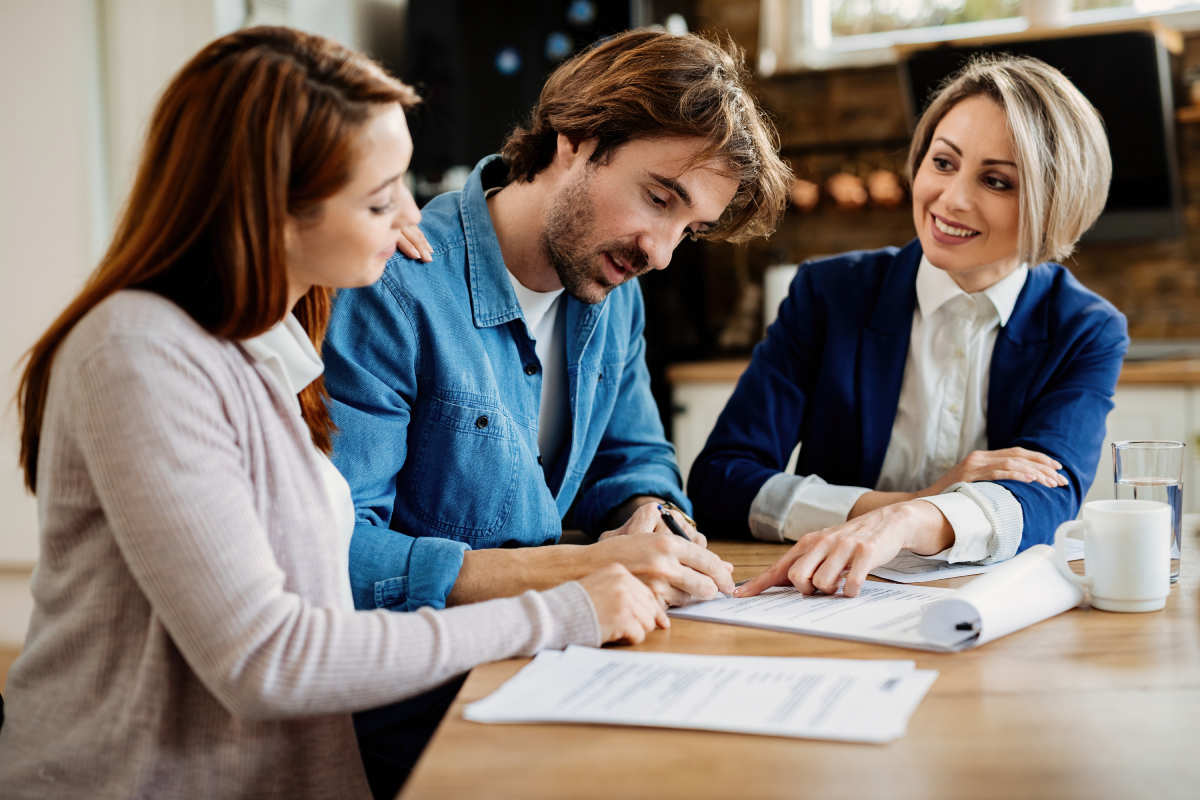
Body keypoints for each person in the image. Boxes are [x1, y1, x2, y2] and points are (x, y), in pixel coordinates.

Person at [0, 28, 669, 800]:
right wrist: (559, 612)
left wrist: (367, 228)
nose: (412, 217)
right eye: (381, 197)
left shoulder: (264, 342)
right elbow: (269, 662)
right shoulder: (138, 354)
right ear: (273, 205)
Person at [323, 29, 791, 616]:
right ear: (577, 139)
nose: (662, 254)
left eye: (689, 231)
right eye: (658, 199)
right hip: (431, 685)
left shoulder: (615, 292)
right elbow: (340, 555)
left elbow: (632, 459)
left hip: (558, 650)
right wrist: (578, 568)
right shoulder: (392, 286)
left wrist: (652, 516)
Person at [688, 54, 1128, 600]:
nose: (951, 199)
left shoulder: (1084, 330)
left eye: (995, 181)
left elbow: (1045, 504)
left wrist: (911, 521)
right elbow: (721, 482)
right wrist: (898, 505)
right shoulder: (829, 295)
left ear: (1054, 203)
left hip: (985, 616)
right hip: (826, 599)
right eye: (943, 163)